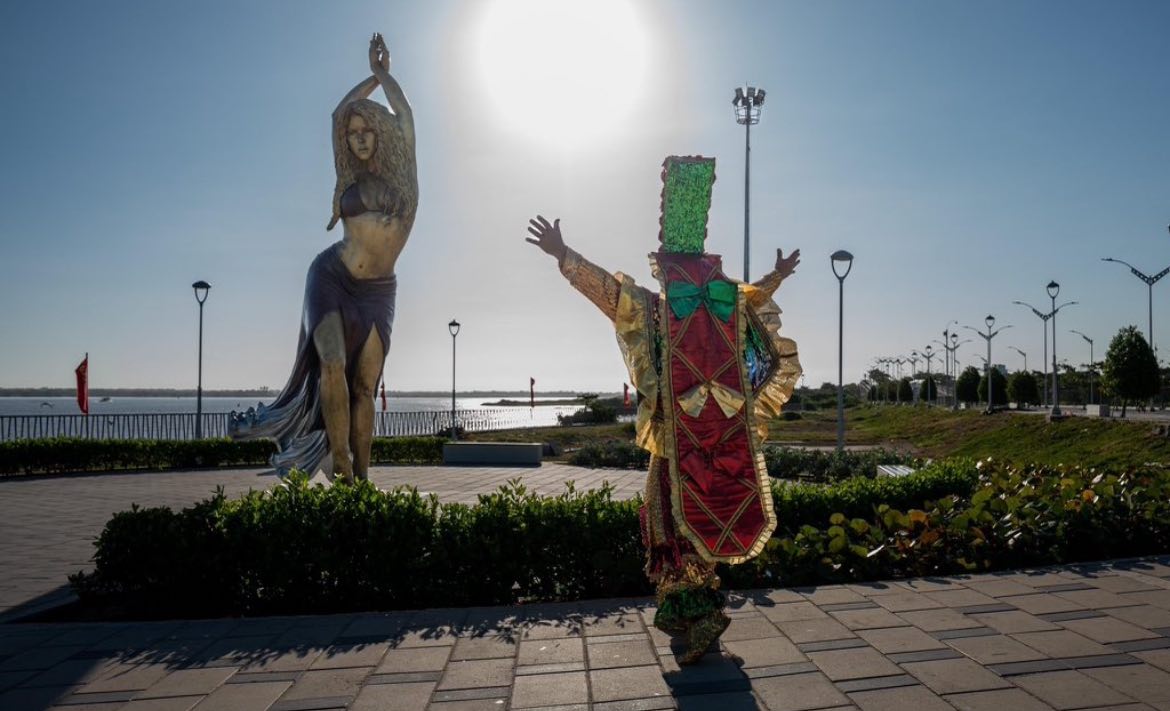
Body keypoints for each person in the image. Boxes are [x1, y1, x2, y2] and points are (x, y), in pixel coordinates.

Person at [526, 155, 801, 663]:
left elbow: (610, 294)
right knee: (673, 520)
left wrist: (565, 255)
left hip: (684, 444)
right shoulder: (718, 304)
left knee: (668, 523)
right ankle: (686, 609)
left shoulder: (664, 309)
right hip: (710, 437)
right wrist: (777, 275)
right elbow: (753, 301)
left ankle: (701, 613)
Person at [232, 33, 417, 483]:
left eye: (365, 131)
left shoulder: (405, 176)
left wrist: (382, 75)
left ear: (380, 131)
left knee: (364, 387)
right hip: (330, 277)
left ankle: (362, 479)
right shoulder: (346, 172)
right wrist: (364, 81)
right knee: (332, 364)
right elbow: (337, 113)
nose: (357, 140)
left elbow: (406, 116)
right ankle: (341, 465)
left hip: (377, 292)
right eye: (352, 136)